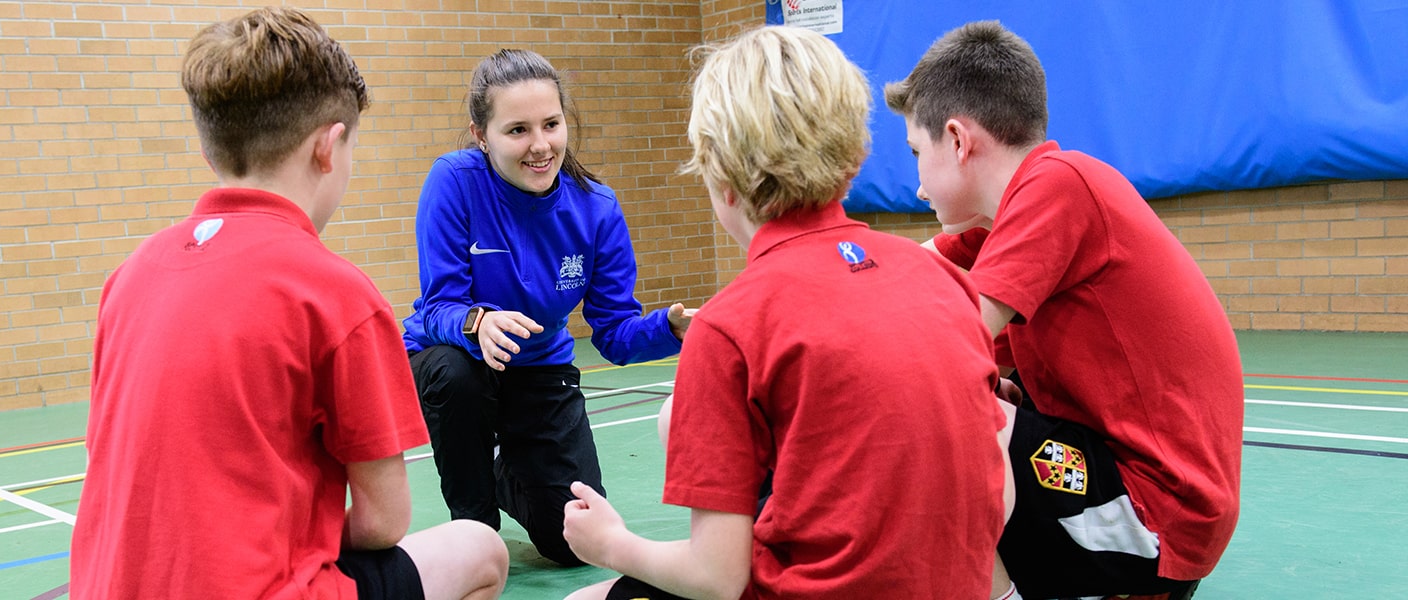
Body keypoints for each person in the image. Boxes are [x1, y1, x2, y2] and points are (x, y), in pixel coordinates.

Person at [70, 8, 507, 600]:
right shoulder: (334, 292)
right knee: (478, 549)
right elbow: (384, 521)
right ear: (330, 147)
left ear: (210, 153)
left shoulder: (127, 277)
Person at [560, 26, 1009, 600]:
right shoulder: (944, 277)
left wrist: (609, 544)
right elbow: (998, 491)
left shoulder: (730, 325)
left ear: (718, 176)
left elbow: (716, 577)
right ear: (856, 154)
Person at [884, 20, 1244, 600]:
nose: (919, 187)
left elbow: (951, 339)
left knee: (950, 417)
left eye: (915, 153)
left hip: (1156, 512)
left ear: (956, 140)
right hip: (1108, 479)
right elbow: (888, 276)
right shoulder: (997, 225)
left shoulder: (1059, 184)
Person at [400, 48, 696, 567]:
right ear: (480, 135)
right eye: (517, 130)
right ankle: (474, 526)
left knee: (572, 544)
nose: (540, 146)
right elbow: (437, 306)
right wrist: (478, 322)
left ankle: (506, 473)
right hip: (456, 358)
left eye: (551, 124)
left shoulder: (596, 208)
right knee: (455, 374)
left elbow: (614, 332)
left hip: (539, 368)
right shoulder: (453, 182)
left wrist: (672, 328)